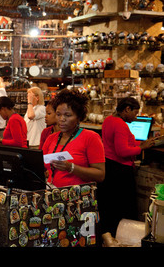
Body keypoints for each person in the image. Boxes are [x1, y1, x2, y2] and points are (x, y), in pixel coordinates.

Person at [98, 97, 157, 237]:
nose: (136, 117)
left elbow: (123, 142)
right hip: (120, 171)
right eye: (135, 113)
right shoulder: (120, 124)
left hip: (109, 167)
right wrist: (141, 147)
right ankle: (123, 237)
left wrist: (142, 143)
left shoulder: (109, 120)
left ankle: (109, 236)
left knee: (110, 206)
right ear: (127, 109)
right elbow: (122, 151)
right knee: (123, 207)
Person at [42, 88, 105, 188]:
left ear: (79, 117)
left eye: (68, 115)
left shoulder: (91, 137)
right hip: (53, 194)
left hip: (78, 197)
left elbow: (100, 175)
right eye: (58, 114)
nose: (62, 119)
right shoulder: (51, 138)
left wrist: (71, 167)